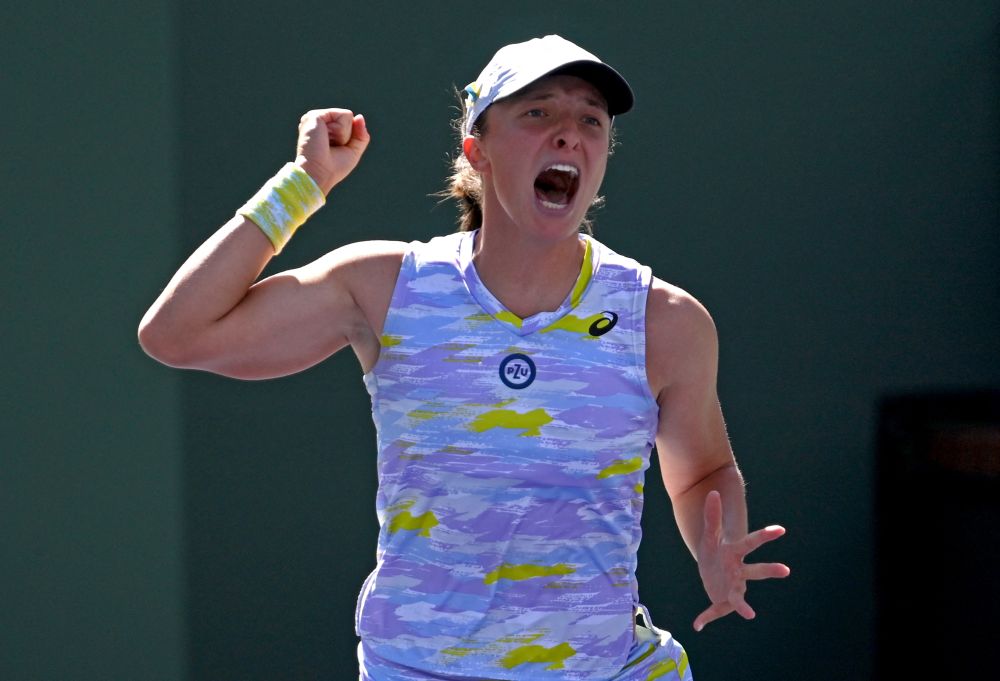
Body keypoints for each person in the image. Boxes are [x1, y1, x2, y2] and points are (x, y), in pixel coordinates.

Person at [139, 34, 789, 681]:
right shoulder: (385, 286)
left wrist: (717, 542)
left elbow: (704, 470)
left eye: (590, 120)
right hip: (416, 667)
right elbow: (177, 333)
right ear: (476, 151)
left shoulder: (666, 321)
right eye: (538, 112)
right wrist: (305, 182)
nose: (569, 134)